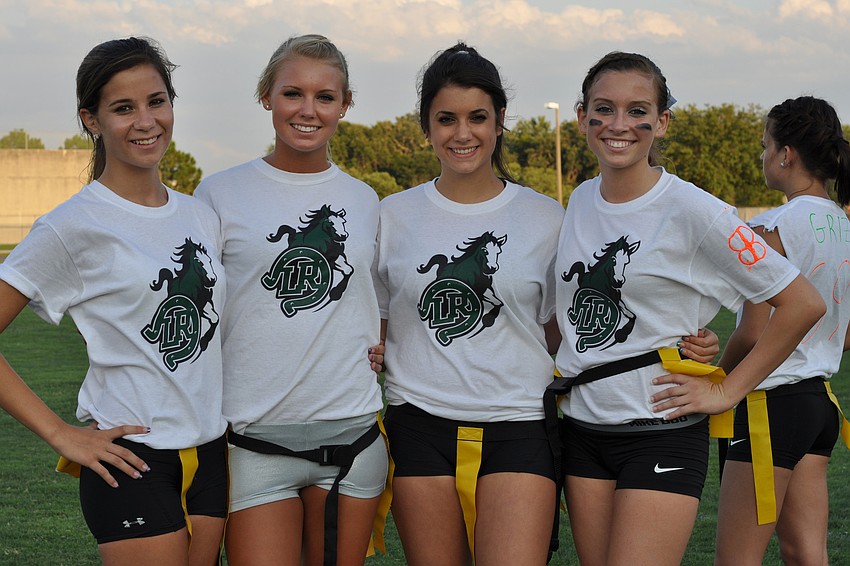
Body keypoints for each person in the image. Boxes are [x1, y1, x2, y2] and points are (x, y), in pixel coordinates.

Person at [374, 42, 720, 566]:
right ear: (426, 126)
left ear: (500, 121)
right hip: (418, 422)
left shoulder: (548, 217)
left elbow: (570, 322)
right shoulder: (390, 215)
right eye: (446, 119)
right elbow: (372, 319)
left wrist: (682, 339)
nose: (462, 133)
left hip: (520, 423)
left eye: (477, 117)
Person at [554, 51, 827, 566]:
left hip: (660, 430)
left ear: (662, 121)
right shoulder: (581, 200)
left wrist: (726, 388)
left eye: (638, 111)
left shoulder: (694, 209)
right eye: (603, 108)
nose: (619, 125)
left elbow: (800, 303)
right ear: (581, 116)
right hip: (582, 430)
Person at [0, 37, 228, 565]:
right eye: (123, 108)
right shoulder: (72, 225)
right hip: (132, 461)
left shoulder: (200, 215)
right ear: (91, 121)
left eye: (156, 101)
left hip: (212, 452)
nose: (145, 121)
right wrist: (61, 434)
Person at [193, 34, 387, 566]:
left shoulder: (364, 200)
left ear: (345, 106)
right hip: (254, 441)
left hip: (351, 438)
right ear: (266, 97)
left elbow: (386, 298)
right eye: (292, 93)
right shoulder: (218, 194)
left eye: (325, 97)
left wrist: (387, 343)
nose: (308, 110)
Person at [713, 96, 850, 566]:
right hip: (818, 406)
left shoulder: (771, 227)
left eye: (765, 144)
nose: (762, 154)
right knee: (807, 553)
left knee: (737, 558)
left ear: (786, 154)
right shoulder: (844, 224)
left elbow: (752, 332)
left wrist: (716, 382)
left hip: (769, 407)